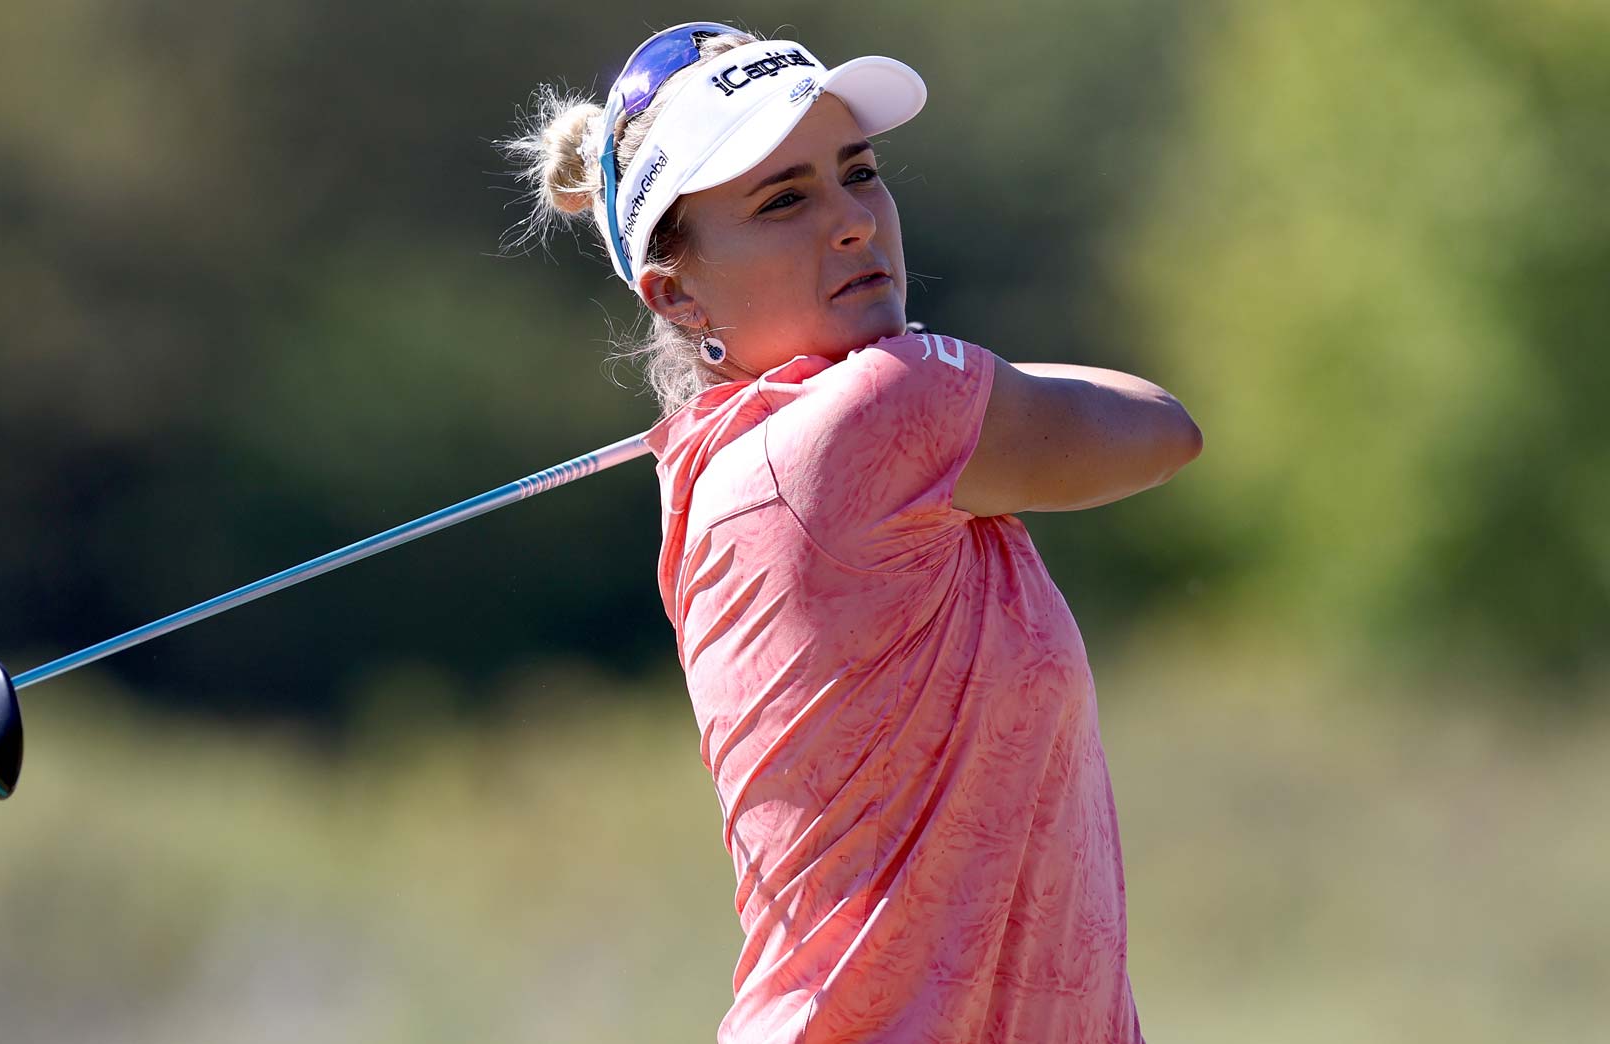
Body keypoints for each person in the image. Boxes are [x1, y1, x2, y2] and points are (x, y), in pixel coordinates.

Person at [507, 22, 1201, 1044]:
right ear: (674, 291)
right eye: (781, 199)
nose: (851, 223)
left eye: (859, 172)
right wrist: (939, 367)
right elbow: (1155, 427)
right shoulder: (882, 411)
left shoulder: (711, 472)